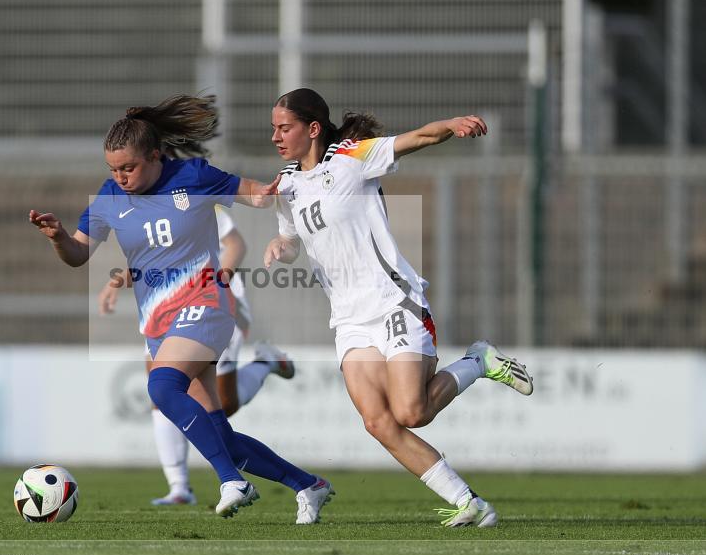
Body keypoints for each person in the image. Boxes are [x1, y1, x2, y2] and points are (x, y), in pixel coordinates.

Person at [30, 95, 332, 522]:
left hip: (206, 304)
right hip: (158, 322)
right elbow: (79, 255)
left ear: (155, 156)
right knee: (219, 433)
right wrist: (59, 237)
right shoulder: (110, 196)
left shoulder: (193, 175)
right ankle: (309, 485)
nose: (121, 177)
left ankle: (233, 482)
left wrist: (293, 181)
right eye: (113, 170)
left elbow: (259, 196)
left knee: (161, 388)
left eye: (129, 168)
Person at [262, 88, 533, 528]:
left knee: (412, 413)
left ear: (312, 129)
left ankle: (478, 362)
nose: (275, 135)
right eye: (273, 127)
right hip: (348, 318)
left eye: (284, 127)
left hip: (393, 300)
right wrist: (281, 245)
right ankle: (469, 502)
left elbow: (419, 138)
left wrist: (450, 125)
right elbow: (293, 239)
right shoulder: (287, 184)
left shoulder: (351, 158)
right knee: (378, 422)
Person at [100, 206, 296, 507]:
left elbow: (235, 244)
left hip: (210, 305)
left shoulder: (195, 199)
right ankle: (179, 488)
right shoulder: (141, 209)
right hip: (164, 308)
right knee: (162, 391)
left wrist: (216, 282)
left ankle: (264, 362)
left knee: (222, 407)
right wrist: (119, 279)